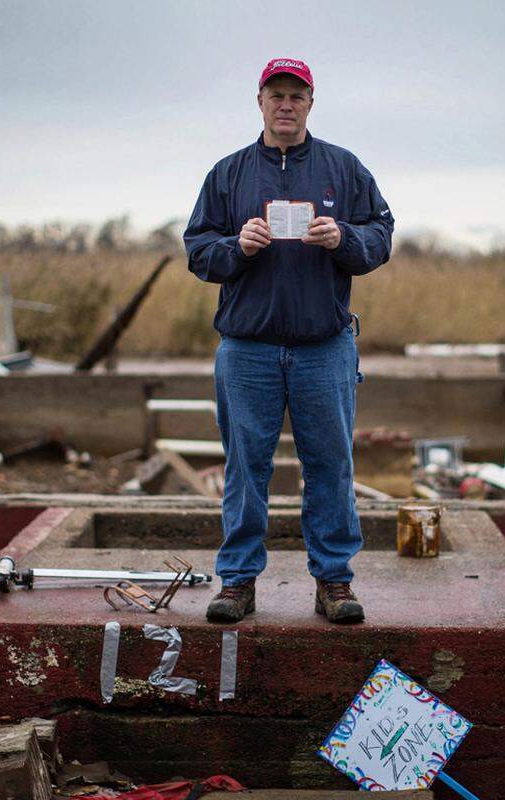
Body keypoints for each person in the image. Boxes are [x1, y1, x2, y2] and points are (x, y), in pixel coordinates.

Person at [183, 57, 394, 624]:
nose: (285, 104)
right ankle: (238, 582)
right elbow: (197, 249)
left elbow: (381, 235)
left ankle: (333, 583)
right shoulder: (227, 175)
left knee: (329, 464)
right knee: (245, 466)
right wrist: (237, 246)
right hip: (246, 348)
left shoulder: (344, 169)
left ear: (310, 103)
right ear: (259, 101)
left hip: (323, 347)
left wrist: (343, 237)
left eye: (295, 96)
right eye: (275, 94)